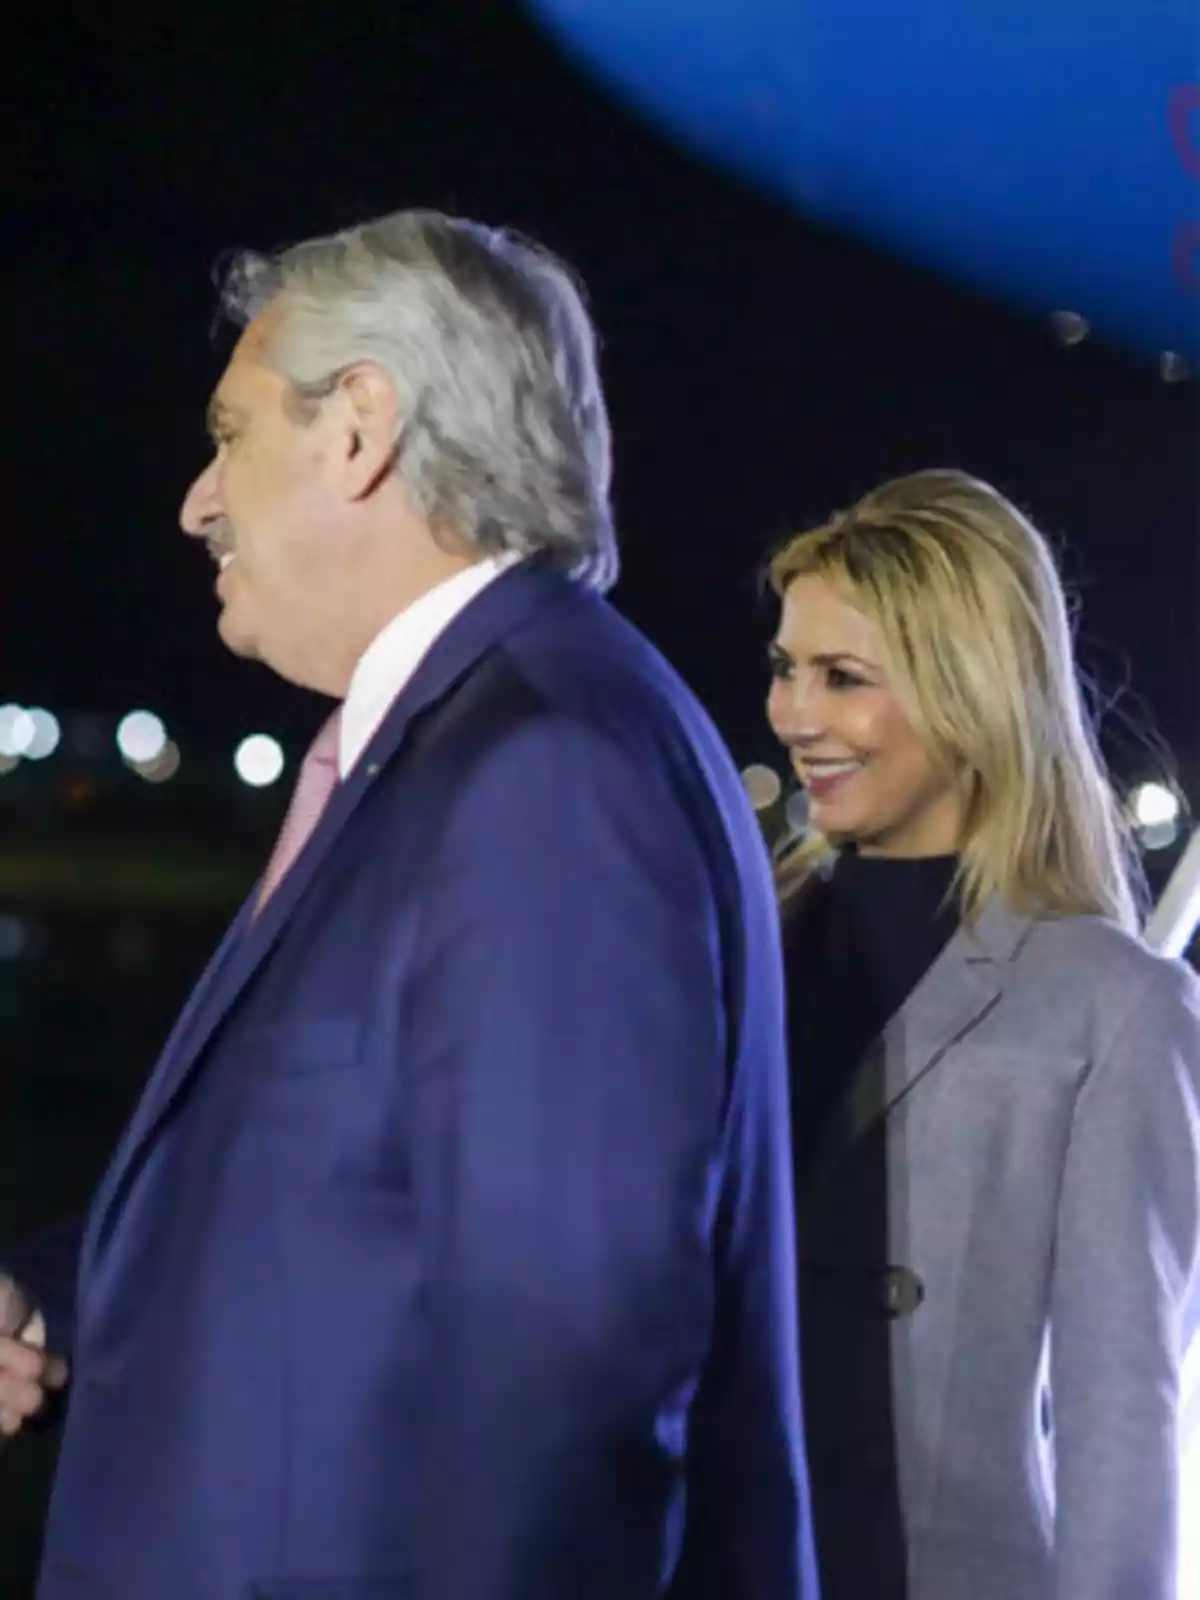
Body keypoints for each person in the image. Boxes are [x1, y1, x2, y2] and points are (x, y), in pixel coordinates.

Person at [0, 210, 816, 1600]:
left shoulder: (545, 768)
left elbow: (565, 1379)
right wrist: (66, 1296)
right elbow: (356, 1207)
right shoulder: (459, 744)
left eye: (232, 431)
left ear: (360, 427)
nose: (199, 498)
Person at [764, 467, 1200, 1600]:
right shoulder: (742, 948)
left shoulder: (1116, 1001)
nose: (795, 715)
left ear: (969, 690)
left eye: (843, 678)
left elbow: (1124, 1418)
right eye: (788, 670)